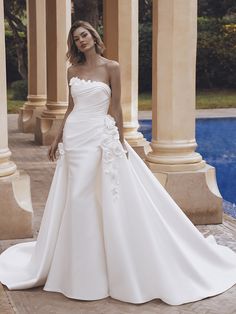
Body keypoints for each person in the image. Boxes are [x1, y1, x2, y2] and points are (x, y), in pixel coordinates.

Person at [1, 20, 236, 306]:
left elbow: (116, 107)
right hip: (75, 137)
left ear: (94, 36)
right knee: (76, 197)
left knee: (96, 195)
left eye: (84, 35)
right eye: (76, 38)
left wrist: (121, 139)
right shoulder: (72, 71)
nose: (81, 40)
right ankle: (76, 267)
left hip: (99, 136)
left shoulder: (111, 67)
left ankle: (101, 266)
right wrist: (57, 137)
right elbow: (72, 108)